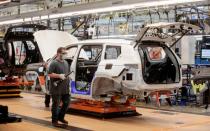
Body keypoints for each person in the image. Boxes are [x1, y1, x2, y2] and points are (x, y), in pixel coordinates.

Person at [48, 47, 70, 127]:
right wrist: (59, 76)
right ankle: (54, 121)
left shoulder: (66, 63)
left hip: (65, 88)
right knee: (56, 105)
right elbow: (49, 74)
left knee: (67, 103)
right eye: (63, 53)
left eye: (65, 53)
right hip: (56, 89)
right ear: (58, 54)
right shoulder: (54, 63)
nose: (65, 55)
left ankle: (61, 117)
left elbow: (66, 74)